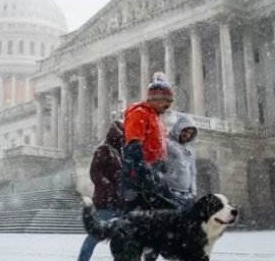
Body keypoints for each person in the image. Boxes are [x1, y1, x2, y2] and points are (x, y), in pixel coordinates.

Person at [121, 71, 176, 212]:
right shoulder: (139, 113)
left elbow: (158, 149)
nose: (169, 105)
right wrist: (145, 174)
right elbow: (133, 147)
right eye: (166, 101)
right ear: (155, 99)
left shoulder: (156, 119)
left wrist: (162, 171)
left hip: (154, 176)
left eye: (170, 102)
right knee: (140, 223)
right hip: (139, 180)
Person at [77, 120, 125, 261]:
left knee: (122, 236)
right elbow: (95, 173)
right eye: (121, 137)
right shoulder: (103, 150)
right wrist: (109, 186)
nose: (123, 140)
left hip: (120, 202)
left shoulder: (121, 152)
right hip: (105, 201)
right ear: (114, 136)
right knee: (95, 235)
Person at [164, 114, 198, 209]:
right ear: (178, 128)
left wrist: (193, 192)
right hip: (169, 192)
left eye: (190, 133)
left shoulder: (190, 151)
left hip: (185, 194)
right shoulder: (166, 143)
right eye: (185, 131)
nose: (187, 135)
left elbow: (192, 173)